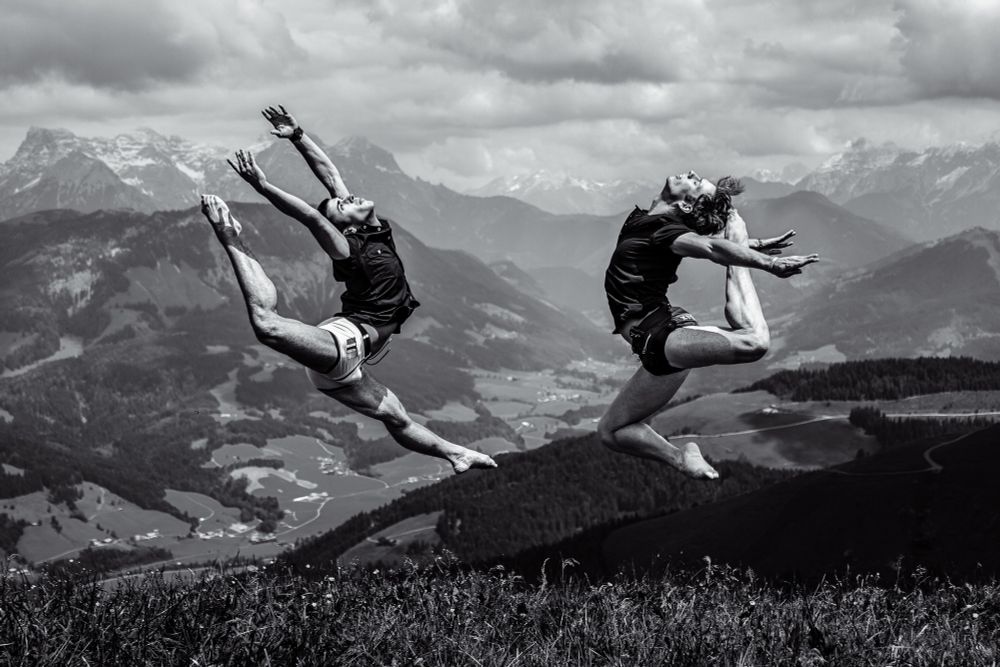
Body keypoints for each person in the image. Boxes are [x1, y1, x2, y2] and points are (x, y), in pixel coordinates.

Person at [200, 105, 496, 474]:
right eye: (342, 206)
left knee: (398, 420)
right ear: (341, 226)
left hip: (343, 365)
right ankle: (230, 236)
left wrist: (297, 136)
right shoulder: (348, 247)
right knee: (267, 325)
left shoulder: (372, 229)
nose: (349, 198)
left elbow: (330, 174)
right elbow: (310, 216)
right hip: (343, 345)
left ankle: (456, 453)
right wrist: (262, 186)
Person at [598, 171, 819, 479]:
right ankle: (681, 457)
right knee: (611, 432)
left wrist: (764, 261)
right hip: (656, 348)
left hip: (665, 336)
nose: (691, 173)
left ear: (688, 205)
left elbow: (713, 249)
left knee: (755, 342)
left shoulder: (661, 228)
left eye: (697, 181)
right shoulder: (649, 222)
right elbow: (706, 243)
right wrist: (751, 247)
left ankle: (740, 273)